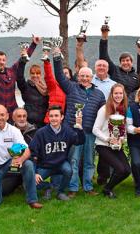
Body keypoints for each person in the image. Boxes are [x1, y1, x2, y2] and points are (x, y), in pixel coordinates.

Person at [52, 47, 105, 197]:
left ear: (92, 77)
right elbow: (59, 76)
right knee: (73, 161)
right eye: (82, 76)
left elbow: (103, 114)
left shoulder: (99, 94)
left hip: (89, 133)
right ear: (78, 76)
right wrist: (57, 57)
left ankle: (88, 187)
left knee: (89, 161)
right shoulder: (71, 88)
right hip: (73, 132)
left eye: (87, 76)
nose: (84, 78)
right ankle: (73, 188)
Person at [0, 105, 42, 208]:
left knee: (28, 164)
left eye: (2, 115)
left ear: (7, 116)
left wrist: (21, 159)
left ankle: (32, 200)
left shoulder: (14, 130)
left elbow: (27, 149)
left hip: (9, 164)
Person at [0, 32, 40, 122]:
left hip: (11, 115)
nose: (1, 62)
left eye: (3, 60)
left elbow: (23, 59)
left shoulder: (11, 71)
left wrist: (34, 44)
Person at [30, 105, 85, 201]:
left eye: (56, 115)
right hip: (44, 165)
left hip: (60, 164)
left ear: (61, 117)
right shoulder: (41, 133)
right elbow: (33, 153)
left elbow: (79, 141)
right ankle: (48, 187)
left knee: (68, 170)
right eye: (51, 116)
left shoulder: (67, 131)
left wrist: (79, 128)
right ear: (48, 117)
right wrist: (34, 172)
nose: (54, 118)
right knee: (29, 183)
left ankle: (61, 192)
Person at [93, 84, 131, 198]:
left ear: (123, 94)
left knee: (127, 170)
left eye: (120, 93)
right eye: (116, 93)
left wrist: (121, 140)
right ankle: (107, 189)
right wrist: (108, 139)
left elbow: (124, 130)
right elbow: (95, 129)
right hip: (103, 144)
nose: (118, 95)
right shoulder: (104, 109)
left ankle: (108, 187)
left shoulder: (124, 110)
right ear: (111, 94)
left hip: (116, 145)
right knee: (120, 169)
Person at [99, 25, 140, 95]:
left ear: (132, 62)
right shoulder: (114, 70)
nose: (125, 63)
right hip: (115, 102)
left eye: (127, 60)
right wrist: (104, 37)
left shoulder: (136, 76)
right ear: (120, 63)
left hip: (129, 104)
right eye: (123, 61)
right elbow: (104, 57)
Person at [17, 63, 49, 128]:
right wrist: (22, 63)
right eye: (32, 73)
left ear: (41, 75)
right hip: (29, 123)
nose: (35, 75)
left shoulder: (45, 89)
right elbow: (19, 78)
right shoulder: (25, 87)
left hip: (43, 124)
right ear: (30, 74)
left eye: (37, 73)